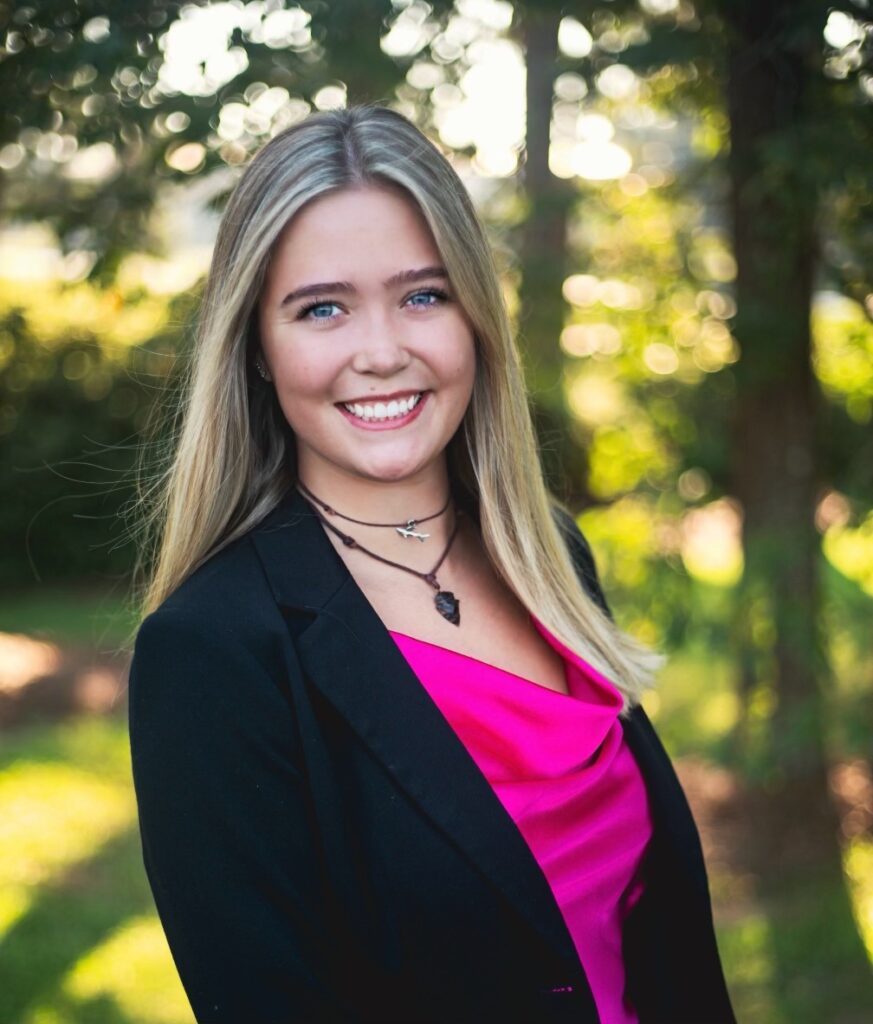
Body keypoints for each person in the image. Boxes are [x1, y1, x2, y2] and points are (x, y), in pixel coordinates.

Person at [127, 103, 736, 1024]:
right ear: (254, 345)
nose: (382, 353)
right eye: (322, 308)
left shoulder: (547, 557)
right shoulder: (213, 652)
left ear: (475, 317)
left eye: (423, 295)